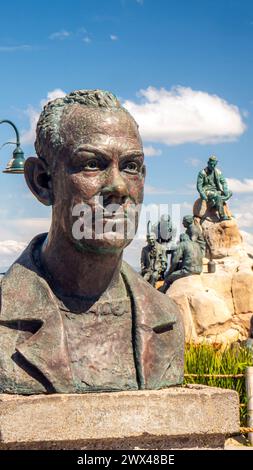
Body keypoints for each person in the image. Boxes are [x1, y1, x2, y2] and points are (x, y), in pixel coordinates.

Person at [0, 89, 184, 394]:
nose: (119, 187)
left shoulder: (167, 319)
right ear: (42, 182)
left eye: (131, 166)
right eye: (92, 164)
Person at [197, 155, 232, 221]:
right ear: (208, 163)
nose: (213, 166)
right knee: (217, 196)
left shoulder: (218, 172)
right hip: (207, 190)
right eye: (211, 164)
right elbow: (199, 186)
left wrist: (225, 189)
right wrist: (203, 195)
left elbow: (224, 182)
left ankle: (217, 203)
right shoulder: (202, 173)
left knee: (230, 193)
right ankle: (222, 216)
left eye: (214, 165)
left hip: (216, 190)